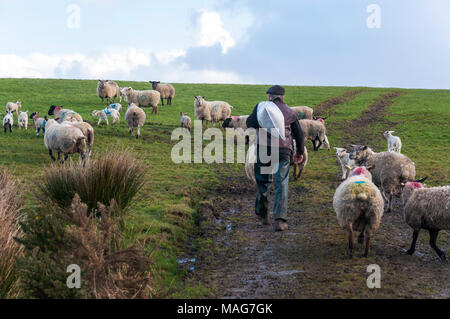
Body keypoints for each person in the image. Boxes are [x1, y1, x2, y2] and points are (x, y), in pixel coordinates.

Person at [246, 85, 305, 231]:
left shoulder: (261, 108)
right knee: (281, 183)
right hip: (283, 151)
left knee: (263, 182)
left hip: (264, 150)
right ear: (283, 97)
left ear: (269, 97)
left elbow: (249, 123)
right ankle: (279, 220)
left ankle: (263, 215)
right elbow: (299, 134)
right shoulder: (290, 112)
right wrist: (300, 151)